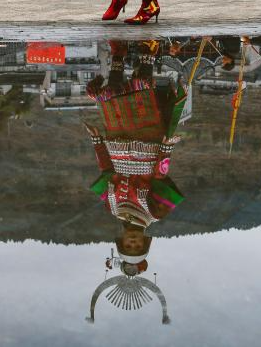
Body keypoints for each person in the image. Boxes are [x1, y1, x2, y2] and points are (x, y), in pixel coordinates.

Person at [85, 40, 184, 325]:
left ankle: (118, 54)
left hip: (117, 142)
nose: (131, 242)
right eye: (136, 245)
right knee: (141, 91)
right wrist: (165, 150)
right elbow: (161, 176)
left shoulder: (113, 207)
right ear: (144, 242)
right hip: (148, 143)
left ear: (121, 243)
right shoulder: (156, 212)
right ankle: (148, 52)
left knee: (113, 94)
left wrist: (96, 142)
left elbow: (106, 171)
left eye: (127, 246)